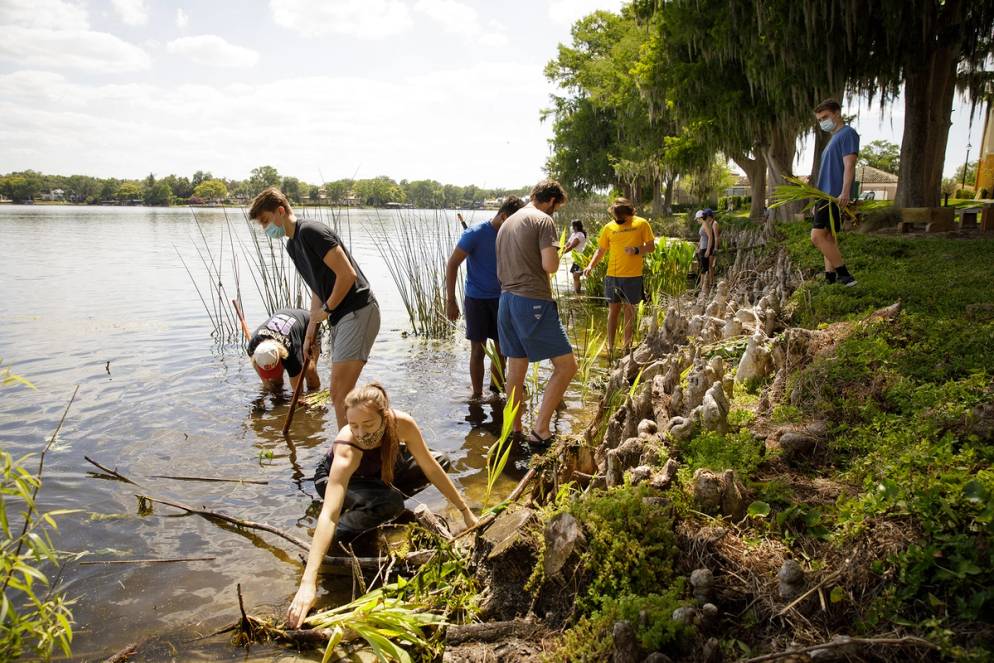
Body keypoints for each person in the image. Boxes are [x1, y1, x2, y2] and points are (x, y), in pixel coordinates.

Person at [286, 382, 478, 628]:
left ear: (385, 416)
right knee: (388, 503)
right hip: (337, 479)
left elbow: (430, 466)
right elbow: (329, 515)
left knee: (441, 459)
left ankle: (381, 504)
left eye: (368, 424)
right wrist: (307, 582)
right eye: (353, 425)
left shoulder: (402, 424)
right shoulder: (348, 449)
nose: (362, 434)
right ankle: (352, 524)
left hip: (377, 472)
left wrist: (465, 511)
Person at [250, 187, 380, 428]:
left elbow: (347, 275)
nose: (266, 229)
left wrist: (327, 310)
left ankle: (349, 452)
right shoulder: (292, 245)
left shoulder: (311, 231)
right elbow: (317, 287)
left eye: (266, 221)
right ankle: (356, 445)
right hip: (341, 316)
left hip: (358, 310)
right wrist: (312, 326)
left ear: (280, 211)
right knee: (338, 394)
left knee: (340, 394)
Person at [496, 179, 578, 447]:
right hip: (531, 300)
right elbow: (550, 265)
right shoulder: (543, 221)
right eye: (556, 206)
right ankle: (541, 430)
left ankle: (513, 429)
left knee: (515, 368)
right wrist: (559, 252)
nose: (555, 211)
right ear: (552, 201)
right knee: (567, 366)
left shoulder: (508, 222)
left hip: (506, 301)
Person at [445, 197, 525, 399]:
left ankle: (496, 392)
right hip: (477, 300)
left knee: (502, 351)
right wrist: (451, 300)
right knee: (478, 351)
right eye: (512, 221)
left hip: (503, 299)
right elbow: (453, 264)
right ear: (504, 215)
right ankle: (477, 395)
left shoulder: (513, 235)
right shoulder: (475, 234)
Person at [582, 198, 655, 353]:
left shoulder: (642, 224)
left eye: (622, 218)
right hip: (612, 276)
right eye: (616, 218)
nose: (618, 221)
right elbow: (601, 250)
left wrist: (636, 250)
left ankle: (626, 347)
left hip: (633, 276)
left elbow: (651, 247)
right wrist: (590, 265)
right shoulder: (608, 227)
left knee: (629, 312)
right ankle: (610, 346)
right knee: (613, 312)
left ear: (630, 212)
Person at [812, 99, 858, 287]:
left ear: (837, 113)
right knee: (829, 237)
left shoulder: (848, 134)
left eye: (825, 117)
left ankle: (845, 276)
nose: (823, 122)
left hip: (833, 195)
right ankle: (830, 278)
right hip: (823, 196)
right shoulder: (833, 139)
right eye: (820, 119)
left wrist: (845, 192)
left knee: (816, 237)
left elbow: (849, 164)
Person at [247, 307, 321, 391]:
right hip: (285, 323)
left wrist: (300, 399)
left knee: (309, 369)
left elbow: (298, 390)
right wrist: (267, 386)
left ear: (280, 356)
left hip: (309, 324)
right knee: (274, 381)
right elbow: (265, 380)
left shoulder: (292, 354)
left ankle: (316, 393)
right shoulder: (252, 348)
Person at [563, 219, 588, 294]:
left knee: (576, 276)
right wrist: (558, 247)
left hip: (580, 258)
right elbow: (567, 245)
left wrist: (561, 253)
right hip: (575, 259)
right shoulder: (574, 234)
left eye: (572, 226)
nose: (571, 227)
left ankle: (578, 292)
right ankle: (577, 292)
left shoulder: (580, 234)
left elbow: (571, 246)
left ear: (575, 227)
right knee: (575, 276)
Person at [705, 208, 720, 275]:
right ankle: (711, 282)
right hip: (710, 245)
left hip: (713, 246)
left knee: (711, 266)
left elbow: (716, 237)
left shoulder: (714, 224)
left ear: (709, 216)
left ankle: (713, 283)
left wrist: (715, 248)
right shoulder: (709, 223)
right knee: (709, 266)